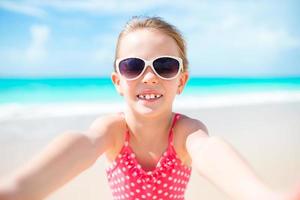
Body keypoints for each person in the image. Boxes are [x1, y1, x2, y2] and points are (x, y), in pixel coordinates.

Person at [0, 16, 299, 200]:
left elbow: (209, 152)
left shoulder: (185, 132)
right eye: (133, 66)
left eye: (165, 66)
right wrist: (18, 191)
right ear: (118, 81)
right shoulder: (113, 131)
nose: (150, 76)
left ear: (180, 81)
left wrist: (264, 196)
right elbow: (83, 145)